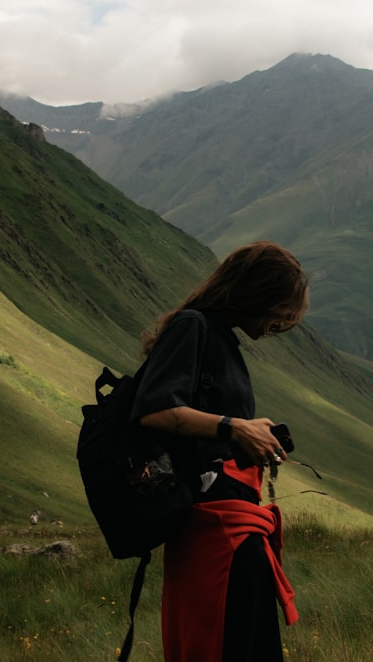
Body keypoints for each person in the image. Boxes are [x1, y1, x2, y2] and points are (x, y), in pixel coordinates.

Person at [130, 241, 309, 662]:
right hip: (215, 534)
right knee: (225, 644)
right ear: (257, 293)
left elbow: (206, 424)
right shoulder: (193, 326)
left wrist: (251, 430)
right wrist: (233, 427)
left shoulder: (221, 339)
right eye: (280, 308)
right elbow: (153, 409)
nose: (281, 322)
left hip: (237, 526)